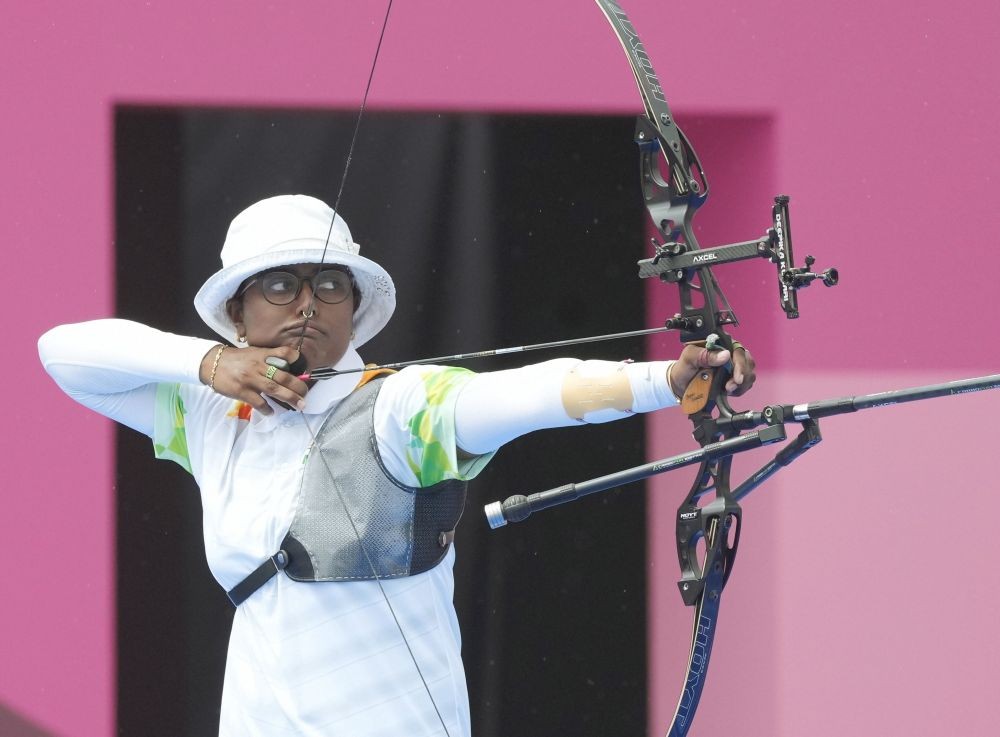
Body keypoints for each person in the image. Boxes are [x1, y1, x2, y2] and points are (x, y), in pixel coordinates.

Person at [38, 194, 755, 737]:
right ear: (237, 311)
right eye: (279, 285)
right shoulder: (207, 415)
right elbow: (62, 352)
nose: (307, 304)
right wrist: (208, 363)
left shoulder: (401, 407)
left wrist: (664, 379)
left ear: (354, 307)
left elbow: (527, 394)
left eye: (329, 285)